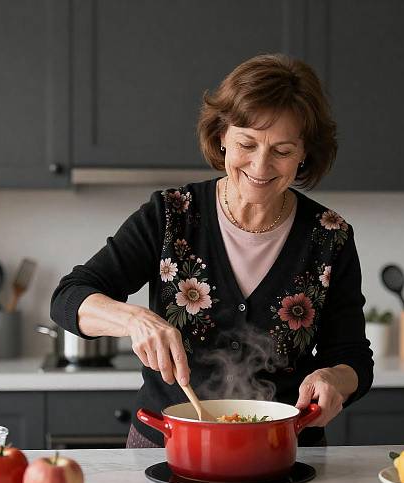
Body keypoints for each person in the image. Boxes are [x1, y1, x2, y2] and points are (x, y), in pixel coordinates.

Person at [51, 53, 373, 448]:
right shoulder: (171, 215)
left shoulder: (330, 236)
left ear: (305, 152)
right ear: (222, 135)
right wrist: (133, 319)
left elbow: (353, 357)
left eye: (283, 150)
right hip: (168, 447)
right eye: (247, 143)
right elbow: (68, 297)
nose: (260, 165)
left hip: (284, 452)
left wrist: (334, 379)